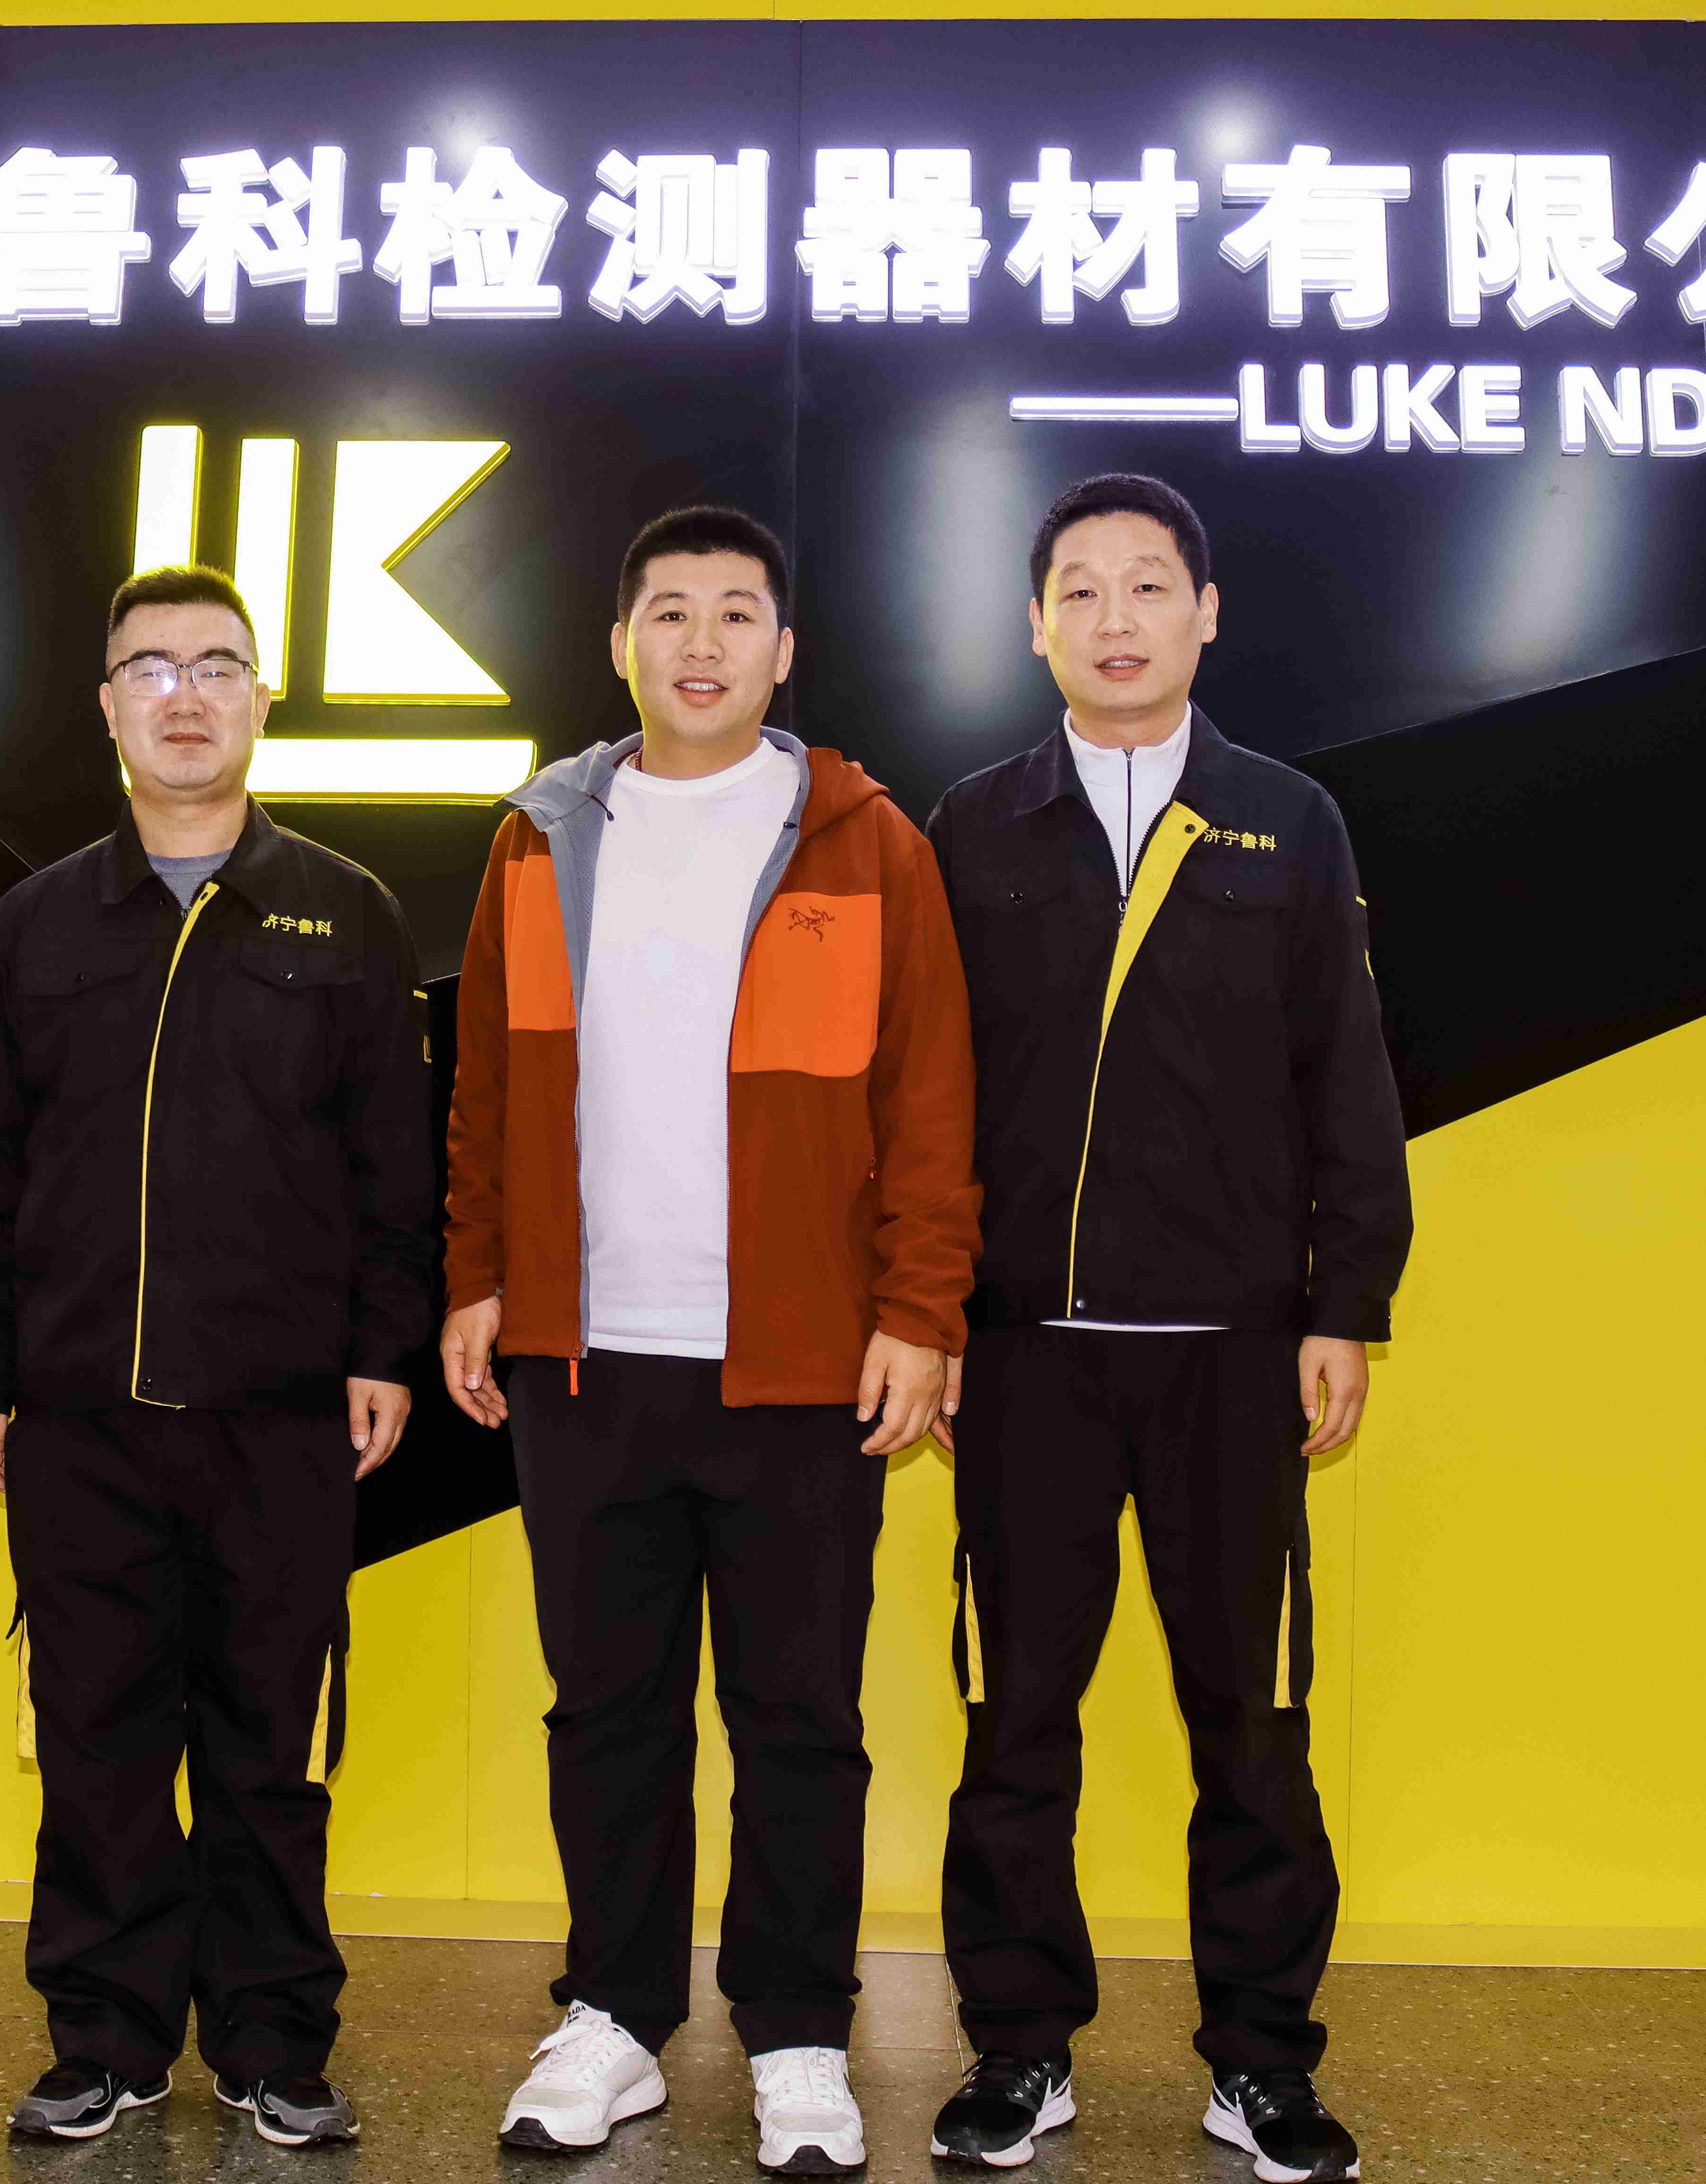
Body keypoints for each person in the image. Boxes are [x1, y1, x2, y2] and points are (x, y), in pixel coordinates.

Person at [438, 506, 980, 2174]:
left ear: (784, 651)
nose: (700, 642)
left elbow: (933, 1100)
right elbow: (483, 1088)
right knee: (608, 1710)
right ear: (620, 646)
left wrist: (920, 1313)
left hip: (800, 1368)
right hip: (586, 1358)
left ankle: (799, 2033)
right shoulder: (537, 839)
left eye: (737, 613)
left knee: (799, 1716)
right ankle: (614, 2018)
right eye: (668, 611)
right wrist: (478, 1276)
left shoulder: (869, 843)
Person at [919, 475, 1410, 2182]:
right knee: (1016, 1723)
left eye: (1148, 585)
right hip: (1025, 1354)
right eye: (1080, 589)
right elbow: (927, 1097)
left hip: (1233, 1351)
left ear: (1206, 614)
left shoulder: (1288, 817)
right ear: (1035, 625)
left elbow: (1347, 1075)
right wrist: (928, 1314)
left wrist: (1345, 1304)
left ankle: (1262, 2063)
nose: (1114, 618)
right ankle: (1019, 2049)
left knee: (1251, 1727)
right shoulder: (972, 825)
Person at [0, 564, 435, 2150]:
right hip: (80, 1419)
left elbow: (394, 1167)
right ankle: (106, 2039)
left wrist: (383, 1347)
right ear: (108, 706)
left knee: (269, 1750)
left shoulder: (344, 913)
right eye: (151, 667)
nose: (186, 694)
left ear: (263, 697)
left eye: (218, 665)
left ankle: (275, 2042)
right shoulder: (34, 924)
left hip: (280, 1422)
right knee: (98, 1746)